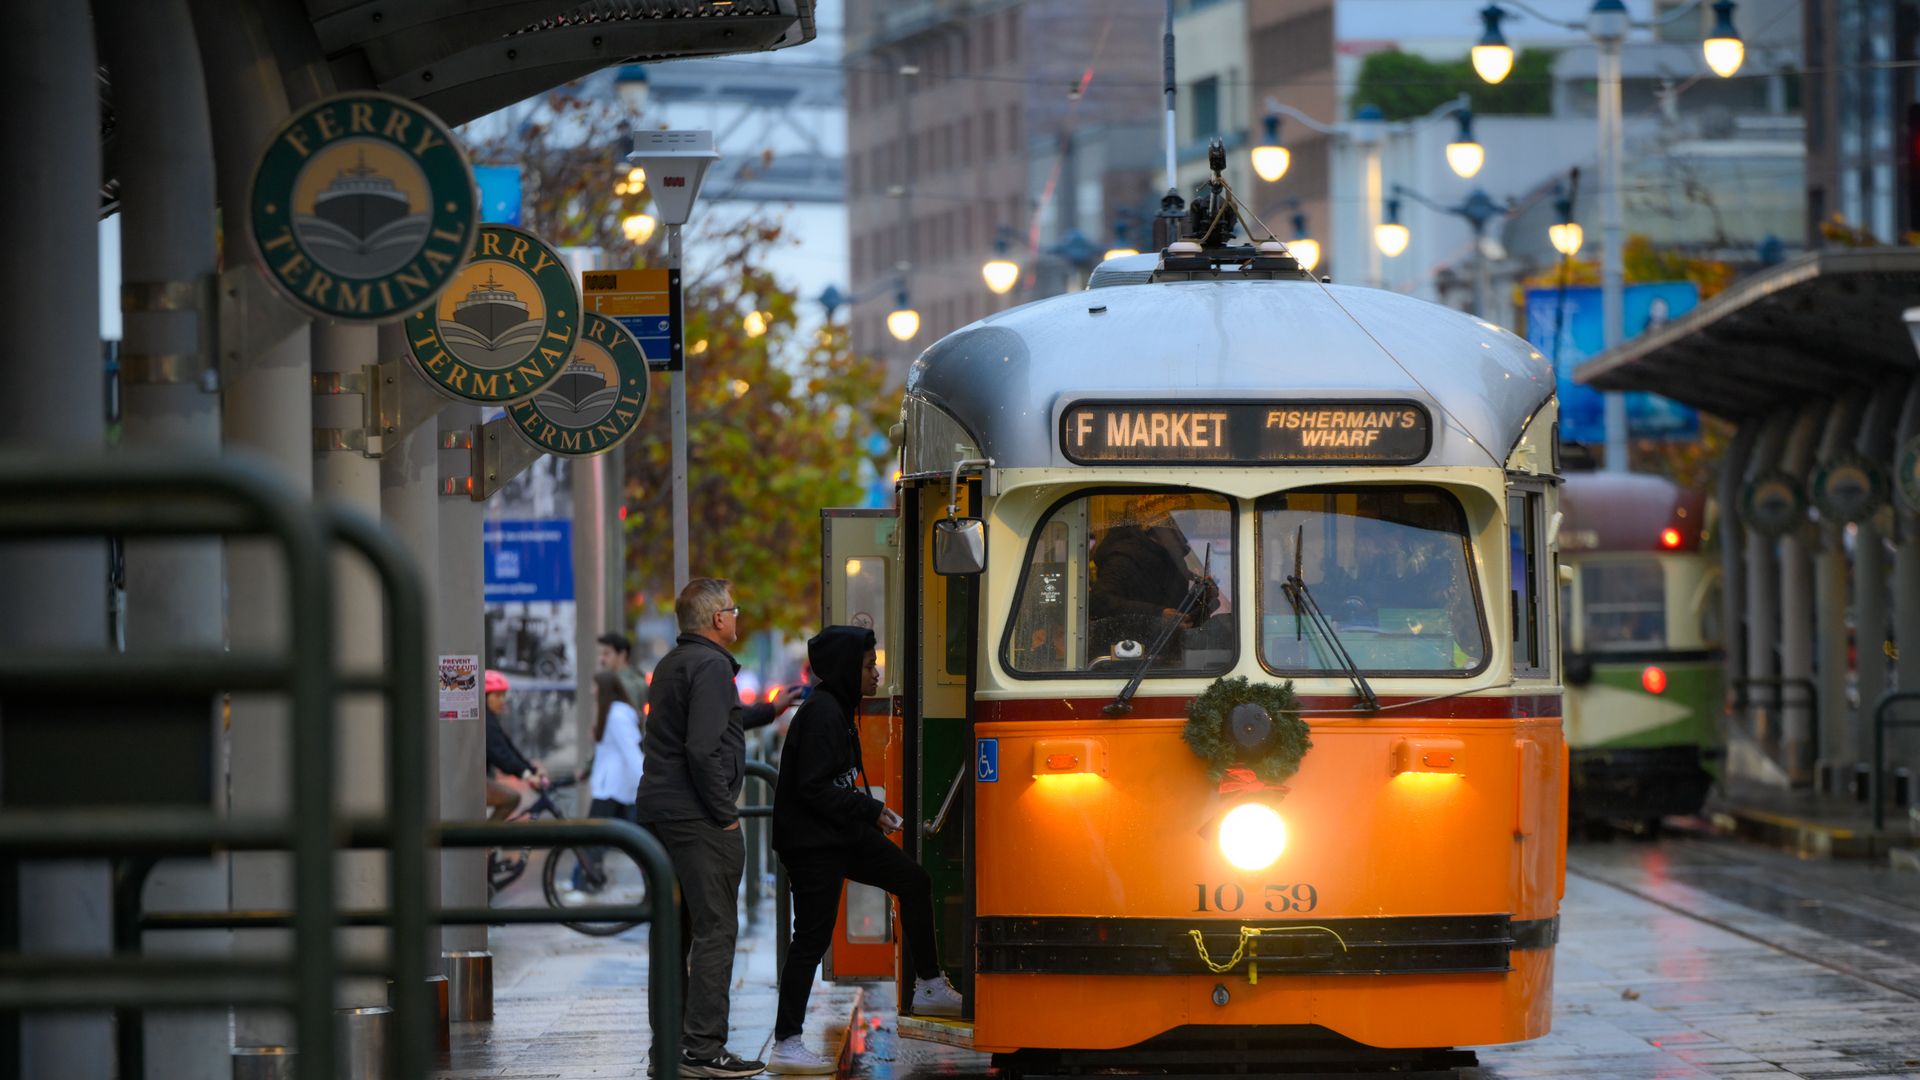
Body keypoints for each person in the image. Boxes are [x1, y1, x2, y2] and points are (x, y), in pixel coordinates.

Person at [767, 626, 961, 1074]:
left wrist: (869, 812)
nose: (876, 674)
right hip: (814, 842)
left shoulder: (836, 708)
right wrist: (869, 810)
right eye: (868, 666)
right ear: (845, 669)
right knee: (811, 939)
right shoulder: (821, 715)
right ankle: (786, 1042)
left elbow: (833, 786)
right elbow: (813, 789)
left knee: (913, 880)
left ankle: (928, 983)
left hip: (836, 832)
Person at [635, 578, 799, 1079]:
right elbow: (702, 748)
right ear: (715, 620)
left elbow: (712, 724)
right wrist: (725, 815)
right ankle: (703, 1050)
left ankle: (670, 1046)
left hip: (661, 813)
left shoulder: (674, 664)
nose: (737, 616)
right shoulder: (710, 667)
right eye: (733, 608)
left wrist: (767, 711)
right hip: (696, 817)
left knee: (673, 932)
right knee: (715, 929)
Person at [1088, 499, 1219, 660]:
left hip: (1162, 656)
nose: (1185, 537)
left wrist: (1201, 598)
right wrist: (1158, 615)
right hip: (1127, 659)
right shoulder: (1124, 557)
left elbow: (1177, 611)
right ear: (1158, 528)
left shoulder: (1171, 559)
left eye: (1188, 528)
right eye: (1179, 527)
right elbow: (1100, 602)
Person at [572, 670, 643, 894]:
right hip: (615, 787)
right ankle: (587, 882)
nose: (593, 691)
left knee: (596, 839)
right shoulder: (614, 714)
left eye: (595, 687)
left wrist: (645, 781)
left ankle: (582, 884)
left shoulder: (617, 716)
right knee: (635, 842)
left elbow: (630, 752)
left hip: (612, 788)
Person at [484, 669, 546, 822]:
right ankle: (485, 841)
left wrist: (530, 769)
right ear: (484, 698)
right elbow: (501, 755)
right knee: (512, 798)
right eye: (497, 696)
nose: (502, 700)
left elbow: (507, 747)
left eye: (503, 695)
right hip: (471, 782)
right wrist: (526, 774)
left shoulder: (490, 720)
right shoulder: (485, 722)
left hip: (479, 779)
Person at [596, 631, 649, 728]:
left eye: (606, 654)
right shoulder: (634, 679)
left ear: (622, 655)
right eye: (600, 654)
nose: (601, 659)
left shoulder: (626, 685)